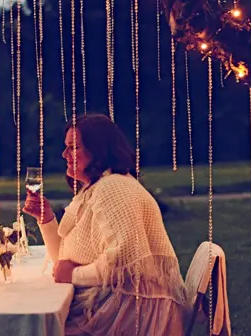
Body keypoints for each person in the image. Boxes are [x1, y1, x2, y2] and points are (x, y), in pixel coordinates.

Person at [23, 114, 186, 335]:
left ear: (97, 150)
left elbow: (127, 262)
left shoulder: (113, 187)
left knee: (35, 327)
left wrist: (73, 276)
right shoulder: (95, 188)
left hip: (135, 313)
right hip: (117, 303)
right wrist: (46, 219)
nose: (64, 155)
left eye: (74, 147)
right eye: (66, 147)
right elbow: (63, 262)